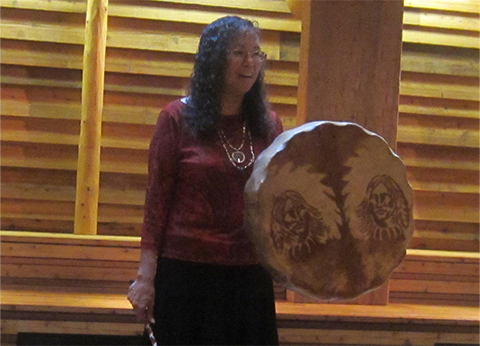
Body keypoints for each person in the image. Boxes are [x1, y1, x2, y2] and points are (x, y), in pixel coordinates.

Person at [127, 16, 283, 345]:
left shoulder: (269, 125)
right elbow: (156, 204)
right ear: (214, 60)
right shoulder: (175, 118)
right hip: (186, 274)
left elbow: (280, 201)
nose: (250, 62)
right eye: (238, 52)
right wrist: (145, 278)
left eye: (256, 53)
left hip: (249, 275)